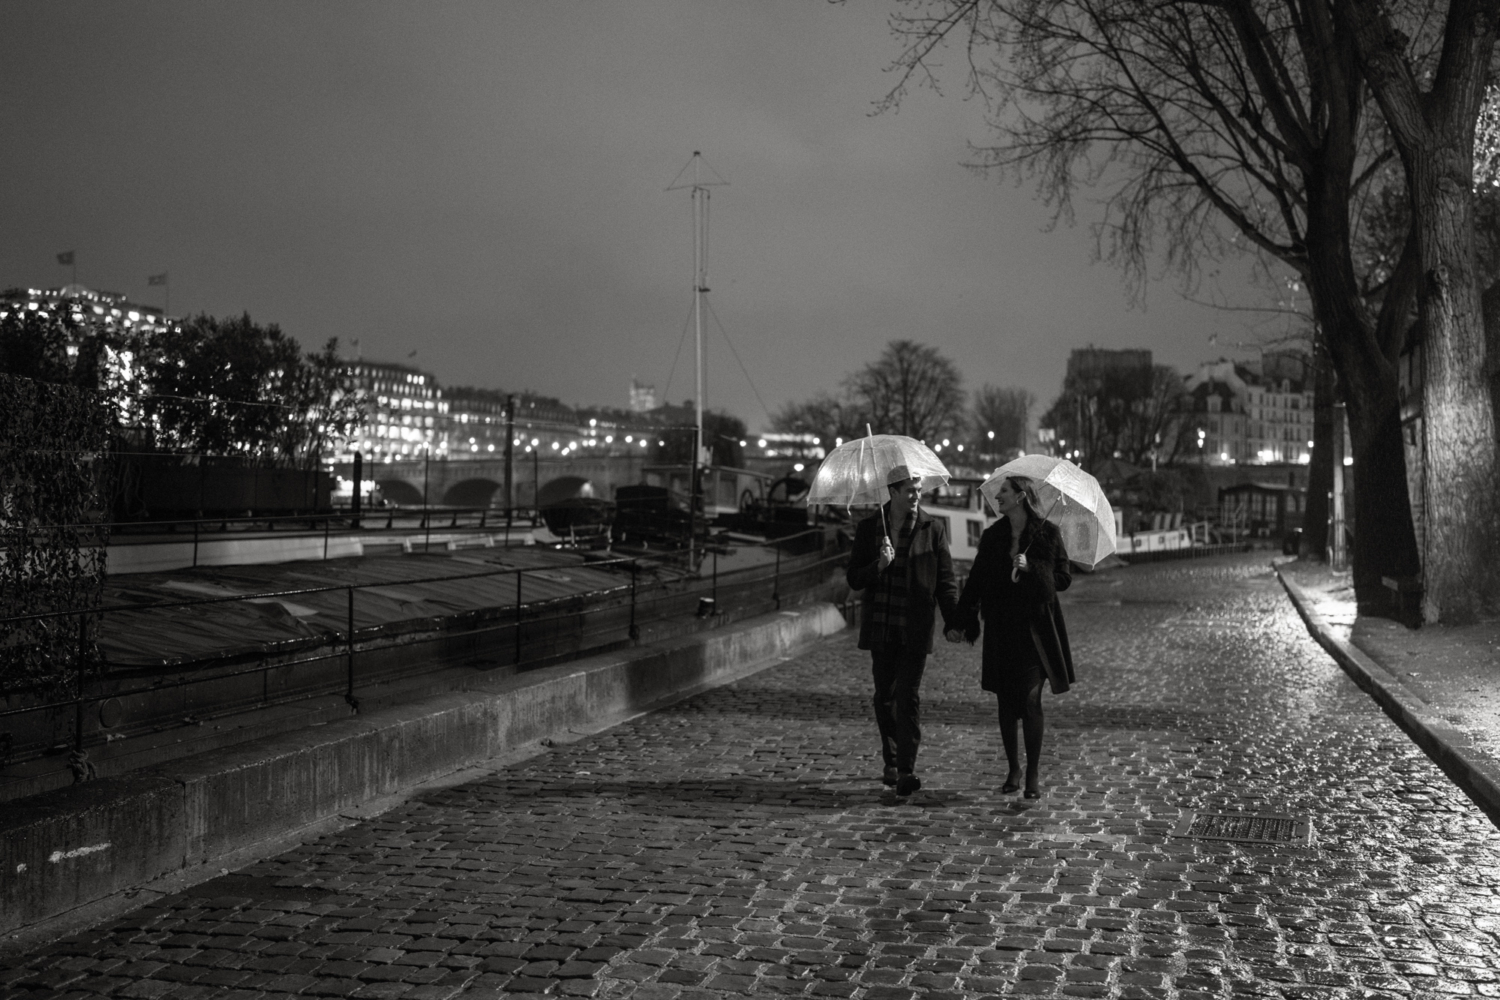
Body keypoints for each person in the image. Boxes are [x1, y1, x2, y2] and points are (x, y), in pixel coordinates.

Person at [947, 475, 1074, 799]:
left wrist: (1034, 568)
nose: (997, 496)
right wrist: (960, 621)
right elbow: (975, 582)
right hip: (1003, 628)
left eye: (1003, 491)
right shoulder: (993, 537)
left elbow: (1062, 578)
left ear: (1020, 497)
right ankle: (1013, 768)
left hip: (1035, 630)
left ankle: (1032, 773)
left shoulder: (1048, 534)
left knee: (1031, 699)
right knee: (1006, 702)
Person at [846, 464, 961, 796]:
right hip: (882, 624)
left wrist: (953, 622)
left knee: (908, 697)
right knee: (885, 698)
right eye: (910, 490)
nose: (917, 496)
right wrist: (878, 566)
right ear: (893, 492)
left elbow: (946, 582)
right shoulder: (870, 528)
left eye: (919, 490)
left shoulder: (932, 529)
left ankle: (906, 770)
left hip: (914, 626)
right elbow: (854, 578)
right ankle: (892, 760)